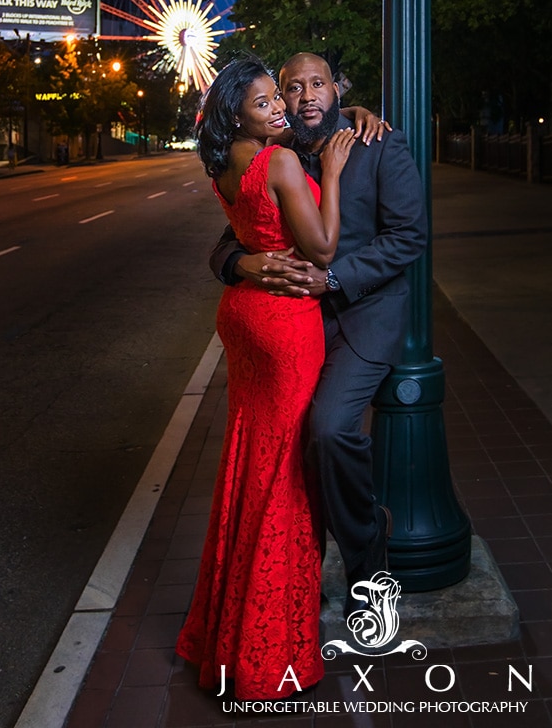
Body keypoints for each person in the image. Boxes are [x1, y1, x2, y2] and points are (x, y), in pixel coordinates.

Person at [210, 52, 428, 620]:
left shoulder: (377, 143)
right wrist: (243, 264)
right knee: (285, 451)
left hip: (361, 318)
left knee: (329, 432)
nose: (305, 96)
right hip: (295, 328)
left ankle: (367, 570)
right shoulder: (278, 152)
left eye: (318, 84)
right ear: (278, 99)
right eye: (292, 88)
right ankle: (297, 580)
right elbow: (232, 237)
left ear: (337, 89)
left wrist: (332, 277)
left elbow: (409, 236)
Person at [175, 56, 358, 700]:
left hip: (242, 322)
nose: (281, 107)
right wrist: (329, 174)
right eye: (264, 101)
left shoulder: (228, 163)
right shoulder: (281, 162)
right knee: (285, 475)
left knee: (248, 465)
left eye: (277, 97)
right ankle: (265, 652)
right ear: (238, 112)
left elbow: (238, 232)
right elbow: (324, 249)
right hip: (283, 326)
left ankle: (222, 634)